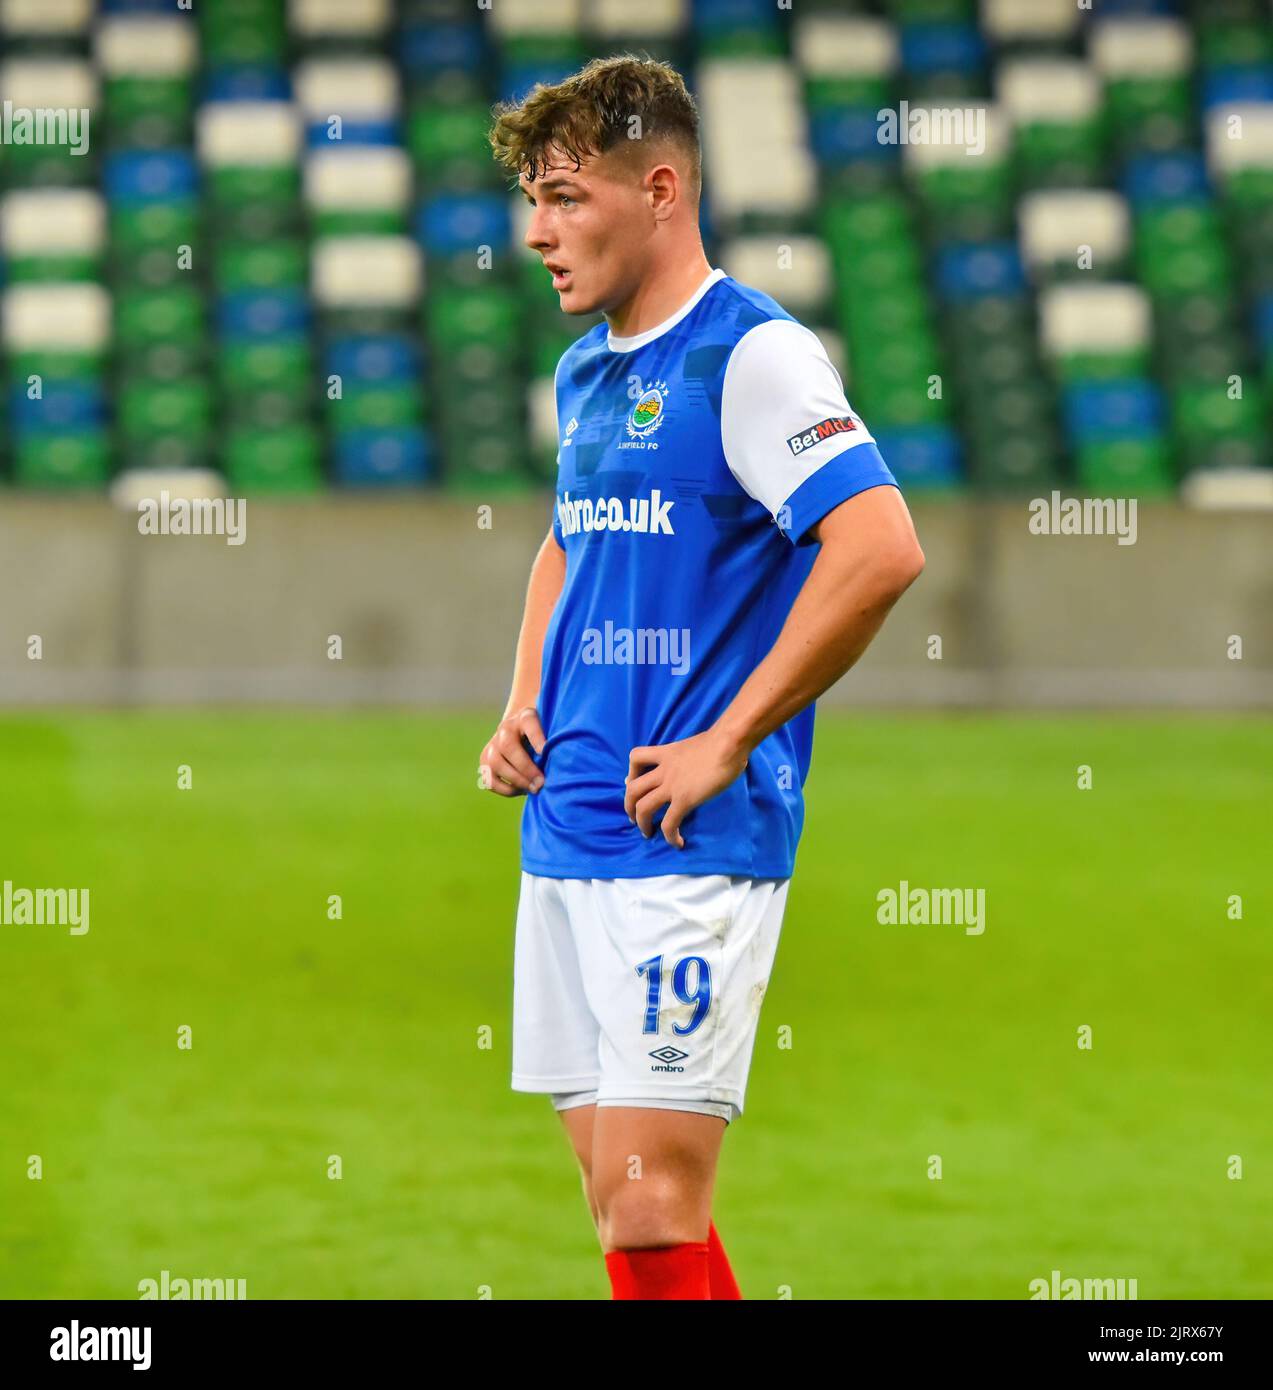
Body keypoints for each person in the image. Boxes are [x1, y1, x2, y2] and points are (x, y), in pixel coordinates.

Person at [481, 55, 925, 1300]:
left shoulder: (752, 357)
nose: (535, 232)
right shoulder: (587, 371)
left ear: (661, 189)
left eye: (565, 196)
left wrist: (728, 738)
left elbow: (878, 546)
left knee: (648, 1203)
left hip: (689, 835)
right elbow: (570, 542)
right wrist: (525, 701)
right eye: (532, 200)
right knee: (627, 1204)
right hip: (570, 825)